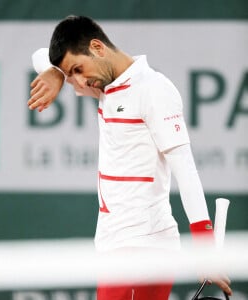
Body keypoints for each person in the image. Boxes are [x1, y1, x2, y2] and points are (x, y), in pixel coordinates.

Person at [28, 15, 232, 300]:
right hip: (114, 249)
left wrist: (204, 247)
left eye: (77, 69)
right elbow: (38, 56)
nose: (79, 82)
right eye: (71, 74)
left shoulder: (154, 89)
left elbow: (185, 170)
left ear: (98, 47)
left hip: (143, 251)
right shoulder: (103, 84)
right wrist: (56, 74)